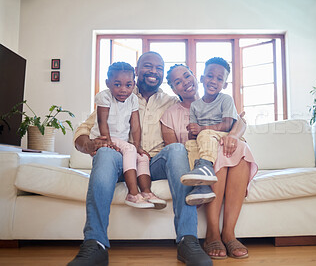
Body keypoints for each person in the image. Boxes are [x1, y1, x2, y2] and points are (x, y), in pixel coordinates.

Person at [67, 52, 213, 266]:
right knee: (106, 152)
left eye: (159, 68)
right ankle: (95, 244)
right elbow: (83, 132)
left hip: (155, 162)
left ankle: (187, 240)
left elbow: (198, 104)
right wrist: (90, 144)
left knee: (176, 150)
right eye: (147, 66)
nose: (154, 71)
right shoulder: (117, 93)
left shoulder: (171, 101)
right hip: (121, 163)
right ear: (137, 71)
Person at [162, 63, 258, 260]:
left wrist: (233, 134)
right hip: (196, 158)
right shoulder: (170, 113)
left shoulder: (220, 101)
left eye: (187, 76)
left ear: (196, 77)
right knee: (219, 154)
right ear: (173, 88)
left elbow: (237, 124)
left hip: (226, 149)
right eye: (178, 82)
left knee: (238, 149)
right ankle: (213, 233)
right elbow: (175, 152)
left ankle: (229, 233)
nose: (185, 83)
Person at [92, 61, 166, 209]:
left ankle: (146, 192)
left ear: (134, 84)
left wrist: (137, 146)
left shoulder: (132, 98)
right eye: (117, 84)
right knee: (130, 150)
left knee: (142, 156)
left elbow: (135, 125)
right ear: (108, 83)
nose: (123, 90)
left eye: (128, 85)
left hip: (122, 141)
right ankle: (133, 193)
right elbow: (102, 121)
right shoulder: (104, 97)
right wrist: (108, 142)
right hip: (104, 137)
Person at [180, 57, 246, 207]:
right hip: (206, 139)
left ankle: (206, 167)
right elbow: (194, 133)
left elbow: (228, 124)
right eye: (210, 76)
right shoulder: (195, 105)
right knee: (190, 144)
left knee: (205, 134)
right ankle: (201, 186)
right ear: (202, 78)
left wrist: (202, 129)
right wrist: (192, 131)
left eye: (219, 78)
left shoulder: (225, 99)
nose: (213, 81)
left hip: (222, 135)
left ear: (224, 84)